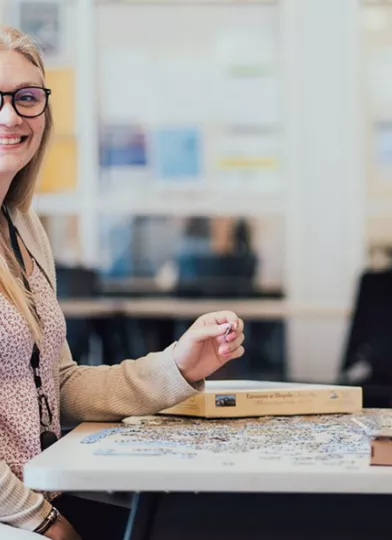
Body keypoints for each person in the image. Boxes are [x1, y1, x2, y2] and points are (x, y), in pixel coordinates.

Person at [0, 26, 246, 539]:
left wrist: (177, 364)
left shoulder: (22, 226)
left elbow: (58, 387)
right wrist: (41, 520)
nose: (11, 117)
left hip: (44, 493)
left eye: (26, 98)